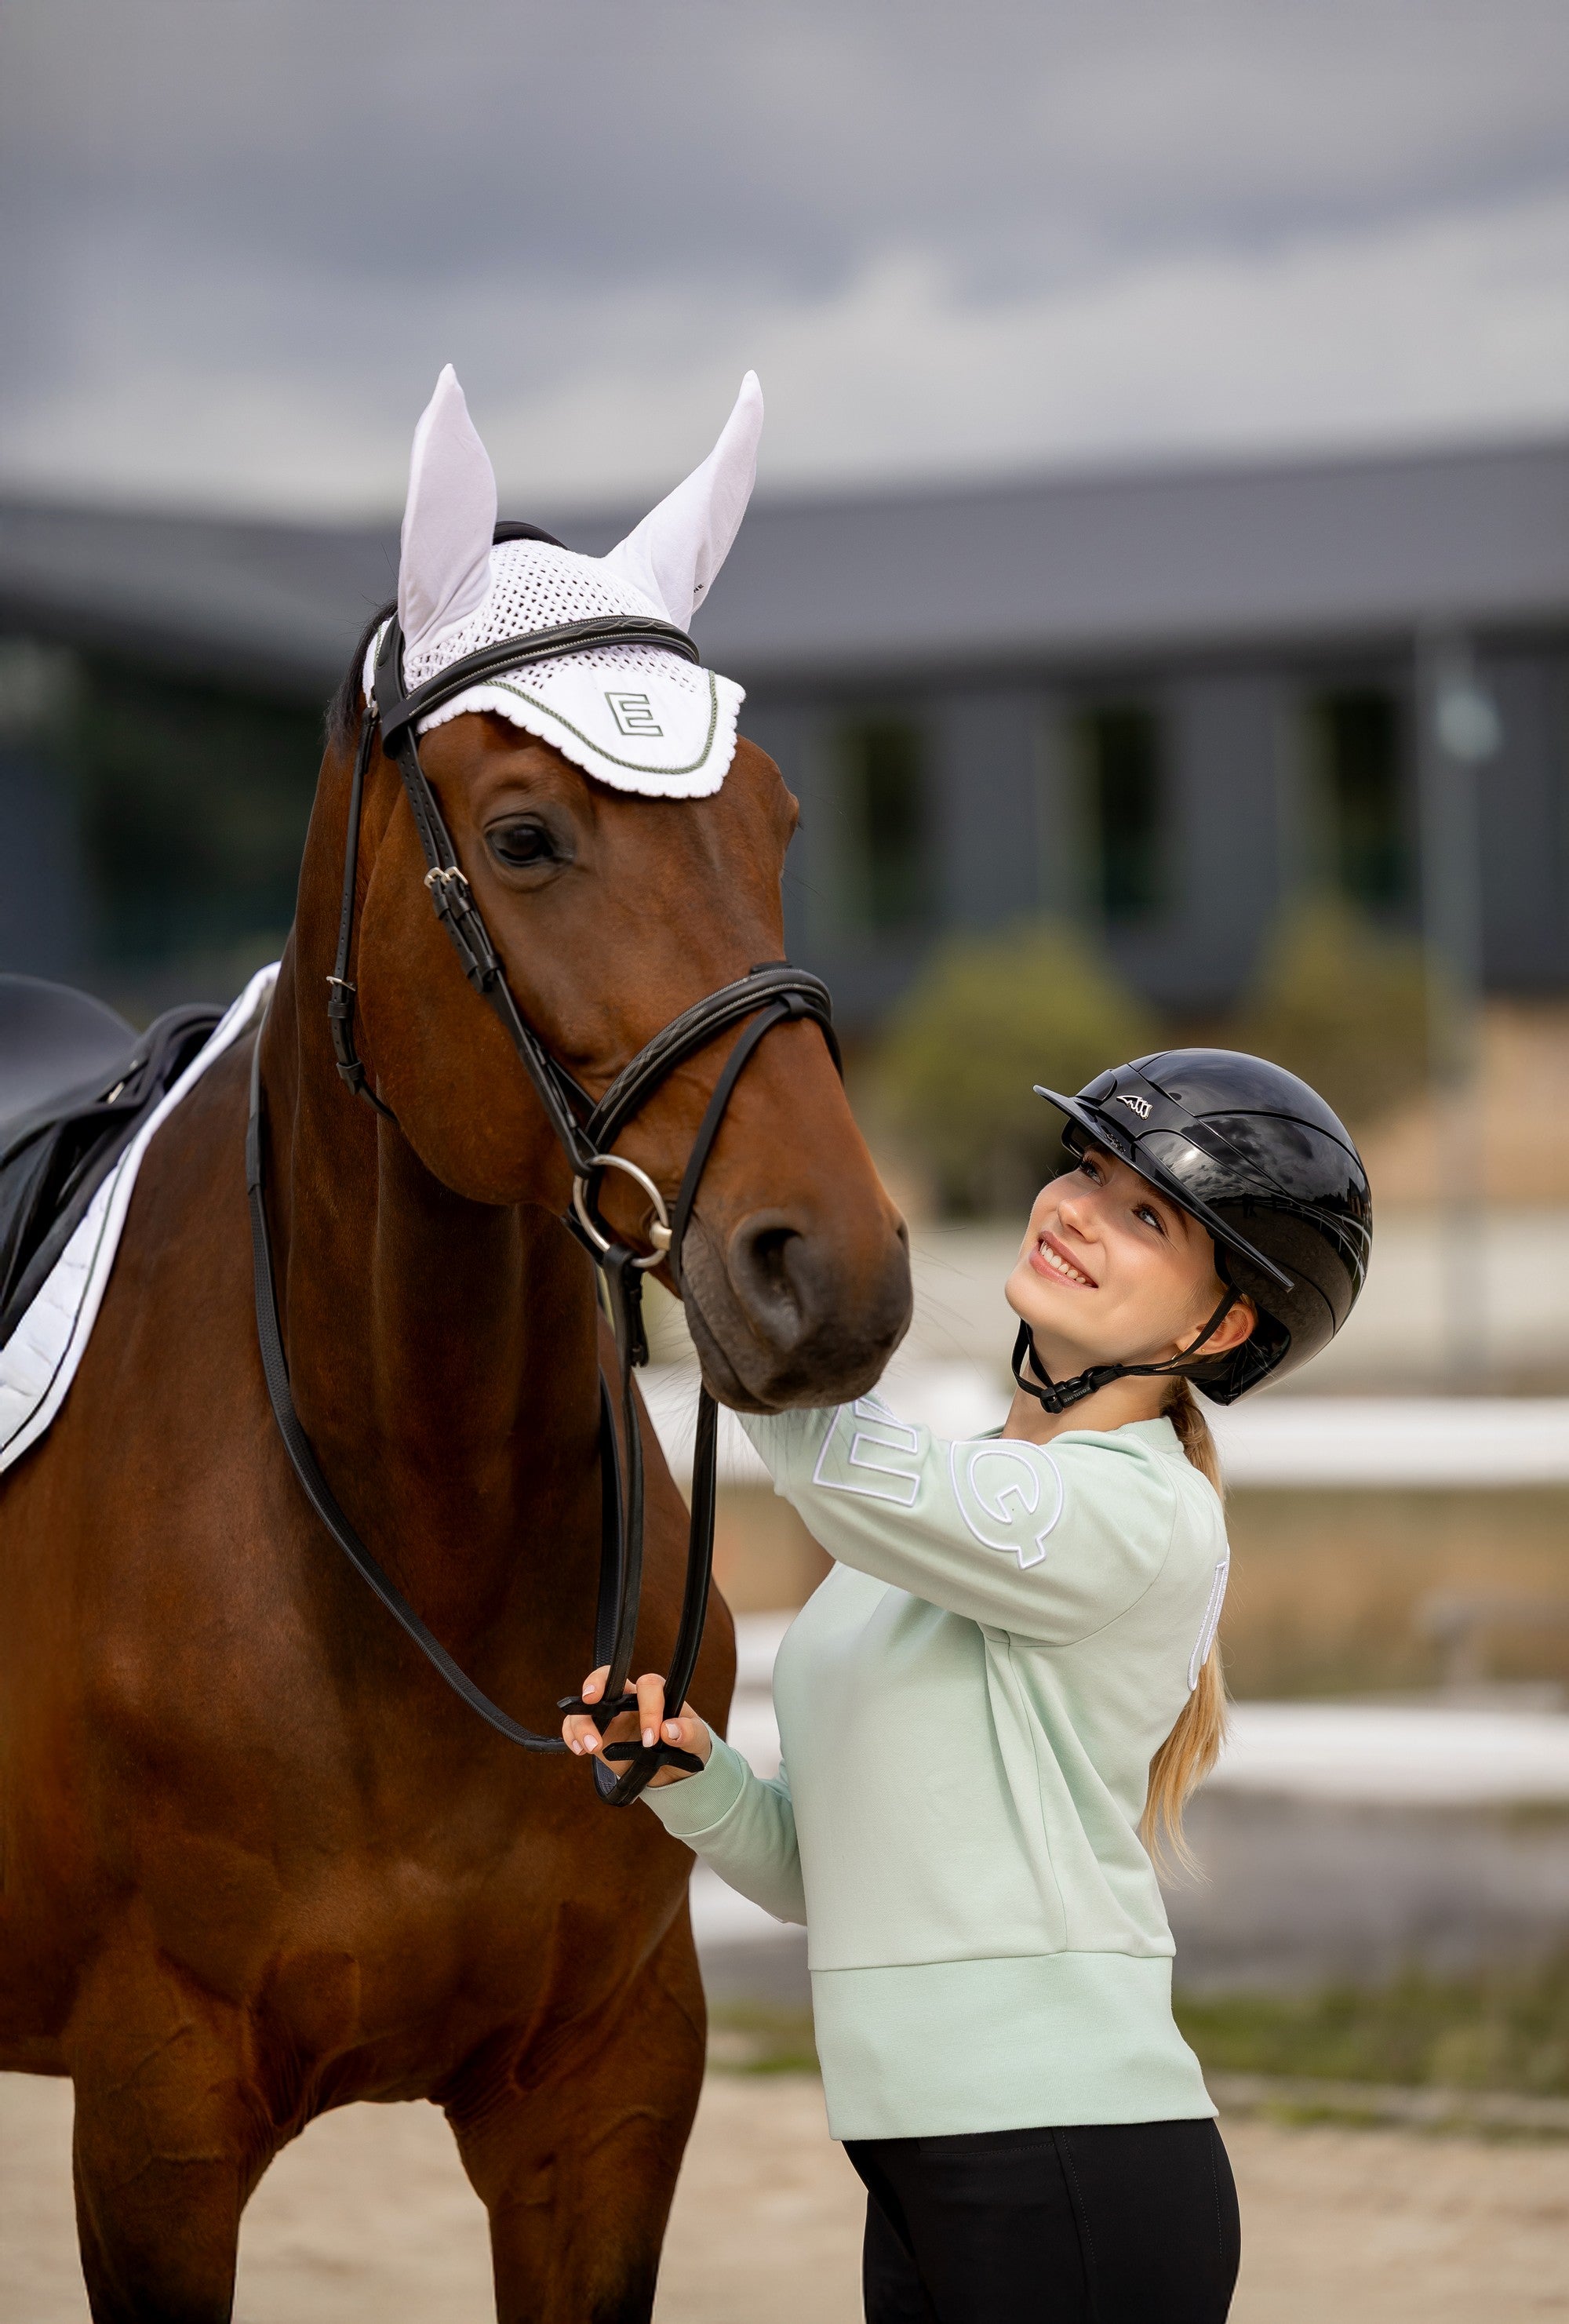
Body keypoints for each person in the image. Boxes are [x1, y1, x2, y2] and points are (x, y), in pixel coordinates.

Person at [564, 1049, 1371, 2324]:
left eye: (1146, 1215)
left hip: (1065, 2159)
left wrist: (728, 1261)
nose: (1075, 1211)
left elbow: (838, 1463)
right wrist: (695, 1777)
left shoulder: (1135, 1514)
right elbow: (826, 1873)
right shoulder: (955, 1512)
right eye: (1087, 1171)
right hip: (924, 2161)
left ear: (1217, 1330)